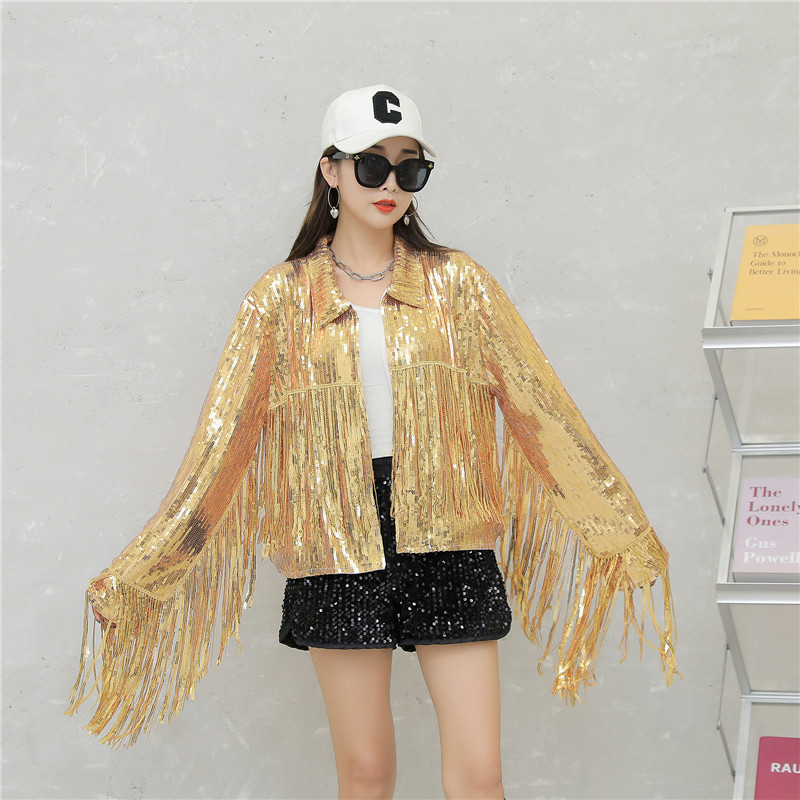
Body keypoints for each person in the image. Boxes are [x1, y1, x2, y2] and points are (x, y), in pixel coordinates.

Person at [67, 85, 677, 799]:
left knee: (480, 774)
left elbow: (542, 410)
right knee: (364, 773)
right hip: (335, 540)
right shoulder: (280, 300)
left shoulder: (461, 286)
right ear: (330, 170)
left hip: (449, 533)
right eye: (370, 164)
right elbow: (220, 449)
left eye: (409, 167)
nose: (390, 184)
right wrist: (144, 574)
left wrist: (621, 530)